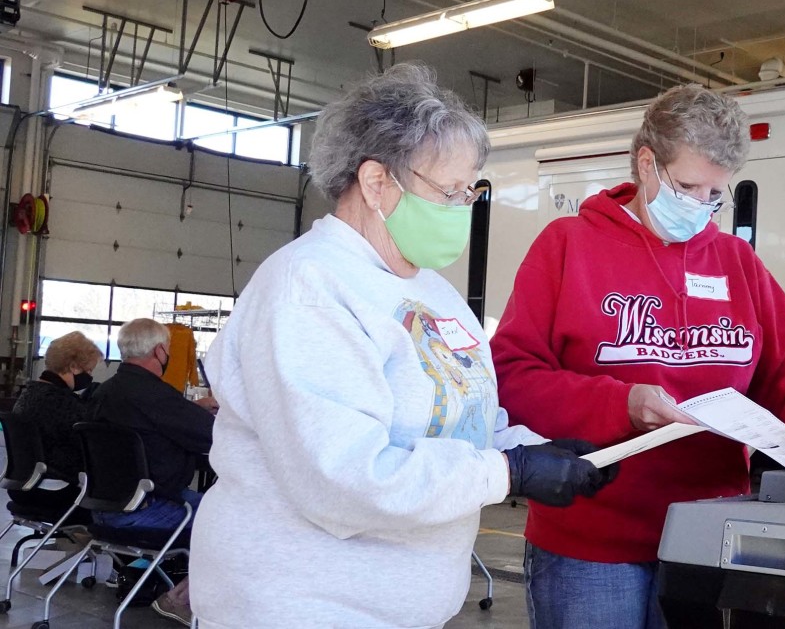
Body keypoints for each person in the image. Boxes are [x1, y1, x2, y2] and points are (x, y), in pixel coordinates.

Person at [189, 63, 616, 629]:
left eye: (471, 190)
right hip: (304, 606)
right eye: (450, 190)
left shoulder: (434, 293)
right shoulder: (308, 286)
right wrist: (510, 472)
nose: (464, 206)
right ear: (375, 182)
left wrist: (537, 447)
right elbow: (345, 479)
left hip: (402, 609)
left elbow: (459, 421)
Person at [491, 84, 785, 629]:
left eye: (715, 194)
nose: (701, 208)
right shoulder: (567, 247)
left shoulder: (734, 261)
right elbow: (511, 376)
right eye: (688, 187)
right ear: (647, 164)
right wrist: (621, 404)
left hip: (708, 537)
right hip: (592, 545)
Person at [90, 318, 218, 626]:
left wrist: (190, 410)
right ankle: (182, 599)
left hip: (101, 509)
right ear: (160, 351)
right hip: (149, 510)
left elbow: (155, 424)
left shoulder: (103, 393)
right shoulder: (156, 395)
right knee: (234, 518)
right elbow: (212, 435)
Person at [7, 331, 101, 514]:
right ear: (74, 366)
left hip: (22, 487)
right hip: (56, 492)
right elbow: (91, 449)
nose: (90, 377)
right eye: (89, 370)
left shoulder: (29, 394)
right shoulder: (62, 403)